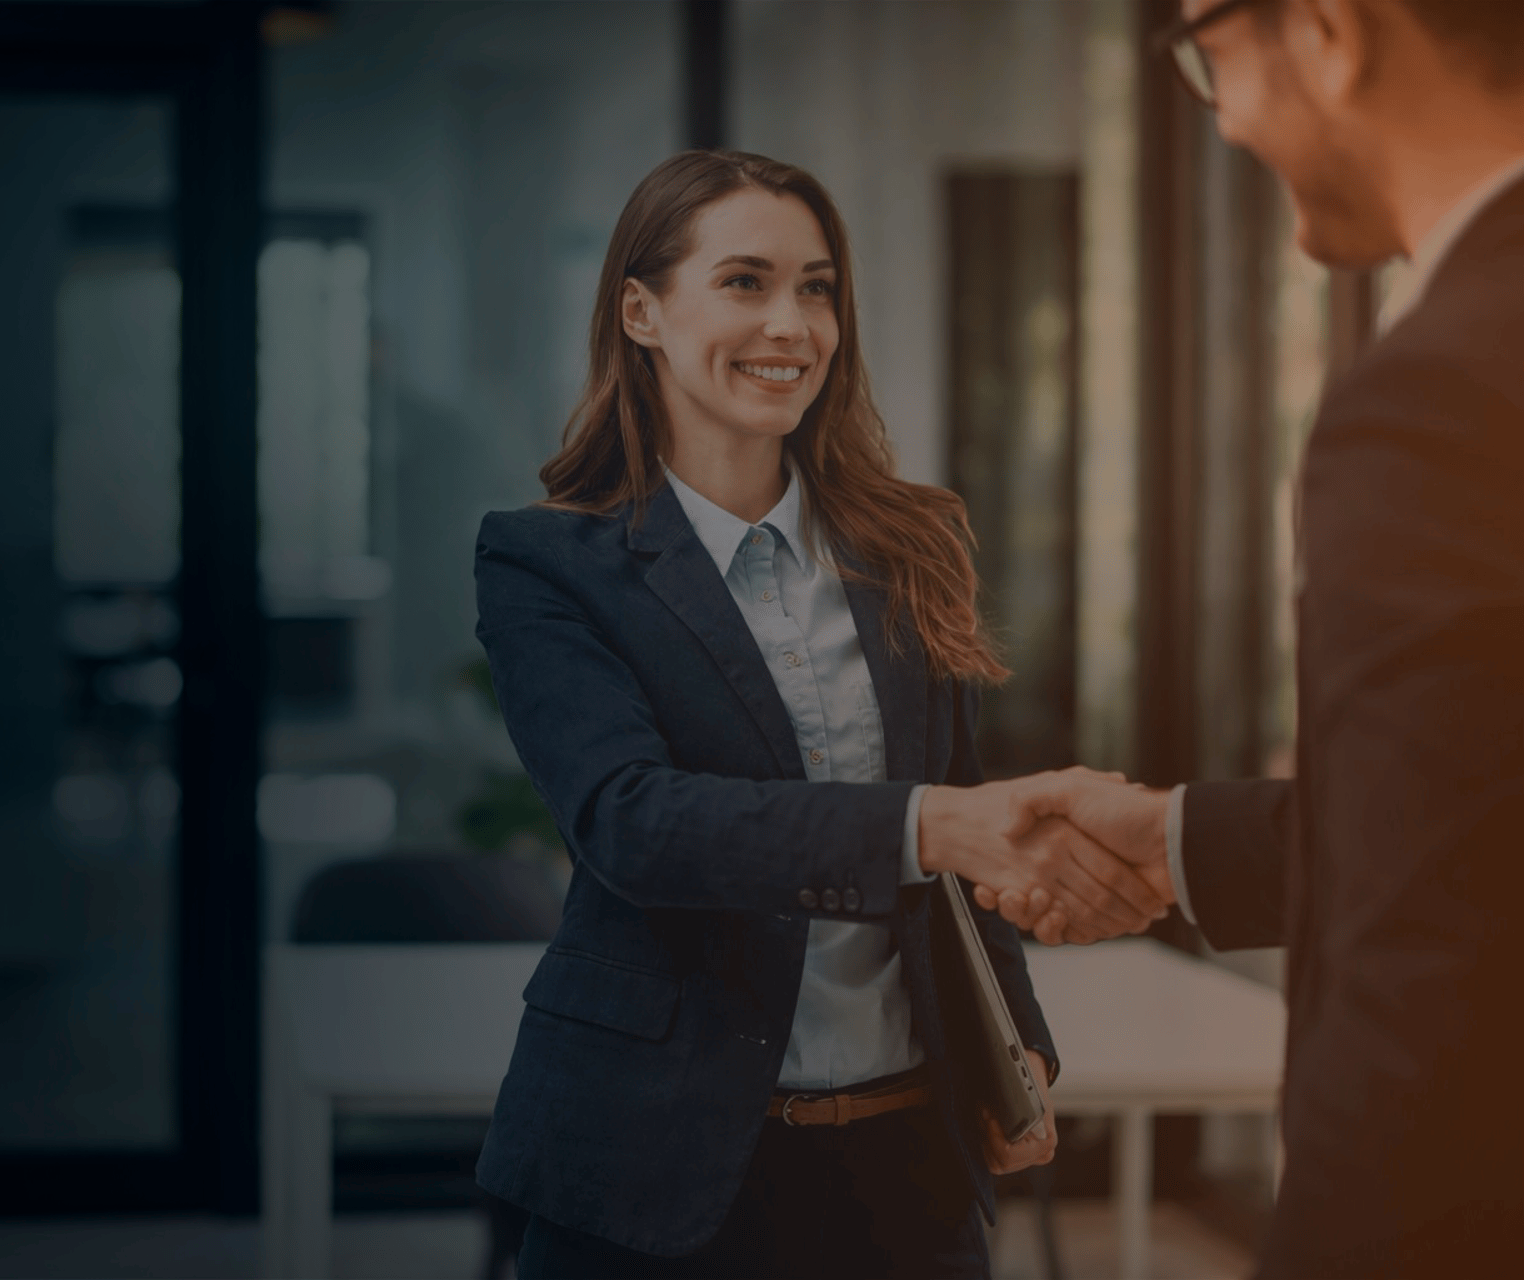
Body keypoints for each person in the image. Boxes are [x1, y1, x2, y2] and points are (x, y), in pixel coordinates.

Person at [468, 148, 1167, 1279]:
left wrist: (1014, 1045)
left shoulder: (909, 542)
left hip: (905, 1168)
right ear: (642, 311)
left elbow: (965, 858)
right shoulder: (552, 563)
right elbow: (634, 822)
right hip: (655, 1163)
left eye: (818, 287)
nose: (791, 323)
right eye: (745, 281)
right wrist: (927, 822)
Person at [984, 2, 1524, 1276]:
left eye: (1205, 56)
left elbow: (1424, 975)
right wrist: (1179, 842)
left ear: (1332, 31)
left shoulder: (1440, 393)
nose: (1217, 114)